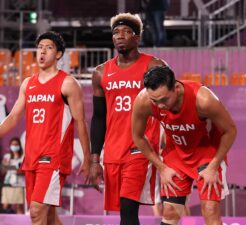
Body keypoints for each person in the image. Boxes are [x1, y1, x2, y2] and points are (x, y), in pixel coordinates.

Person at [0, 31, 91, 225]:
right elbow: (14, 116)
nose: (42, 52)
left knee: (36, 212)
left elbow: (81, 122)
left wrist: (87, 157)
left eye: (48, 48)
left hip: (53, 158)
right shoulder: (28, 83)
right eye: (40, 47)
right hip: (31, 157)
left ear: (58, 54)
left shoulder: (67, 83)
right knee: (48, 217)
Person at [132, 66, 237, 225]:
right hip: (175, 156)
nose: (160, 106)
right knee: (170, 213)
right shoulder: (144, 101)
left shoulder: (203, 100)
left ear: (177, 88)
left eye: (164, 100)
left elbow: (230, 131)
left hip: (207, 155)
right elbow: (138, 137)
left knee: (210, 211)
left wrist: (214, 166)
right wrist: (162, 167)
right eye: (155, 101)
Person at [88, 12, 166, 225]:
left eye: (125, 32)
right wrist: (95, 159)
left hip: (140, 147)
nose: (119, 36)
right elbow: (98, 118)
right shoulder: (101, 72)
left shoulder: (154, 67)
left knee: (128, 209)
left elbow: (169, 105)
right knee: (124, 210)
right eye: (115, 32)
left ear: (137, 38)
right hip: (113, 151)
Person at [1, 137, 25, 214]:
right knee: (5, 205)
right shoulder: (7, 156)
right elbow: (2, 172)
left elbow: (24, 171)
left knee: (19, 206)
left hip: (19, 184)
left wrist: (13, 168)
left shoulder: (23, 157)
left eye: (16, 144)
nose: (14, 146)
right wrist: (5, 166)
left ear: (19, 145)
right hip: (8, 183)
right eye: (12, 144)